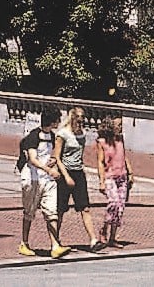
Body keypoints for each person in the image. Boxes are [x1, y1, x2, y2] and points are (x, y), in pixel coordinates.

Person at [18, 107, 70, 259]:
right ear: (53, 121)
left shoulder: (52, 136)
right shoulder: (33, 137)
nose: (59, 123)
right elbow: (32, 159)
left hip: (47, 180)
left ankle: (55, 246)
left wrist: (53, 161)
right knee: (29, 212)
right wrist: (49, 170)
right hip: (33, 179)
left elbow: (51, 154)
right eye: (58, 120)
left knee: (51, 211)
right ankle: (24, 243)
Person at [53, 107, 102, 252]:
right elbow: (57, 157)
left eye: (82, 121)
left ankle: (93, 240)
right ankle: (55, 240)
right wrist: (66, 176)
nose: (80, 124)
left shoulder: (82, 134)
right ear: (72, 119)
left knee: (85, 208)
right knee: (60, 210)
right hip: (65, 173)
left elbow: (80, 155)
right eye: (78, 121)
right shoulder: (62, 134)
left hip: (79, 172)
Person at [96, 114, 134, 248]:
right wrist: (101, 181)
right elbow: (100, 162)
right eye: (118, 125)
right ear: (111, 126)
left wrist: (130, 172)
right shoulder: (102, 142)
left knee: (120, 208)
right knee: (113, 203)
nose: (121, 128)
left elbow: (124, 155)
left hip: (122, 176)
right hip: (110, 176)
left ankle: (112, 237)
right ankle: (104, 228)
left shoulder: (120, 139)